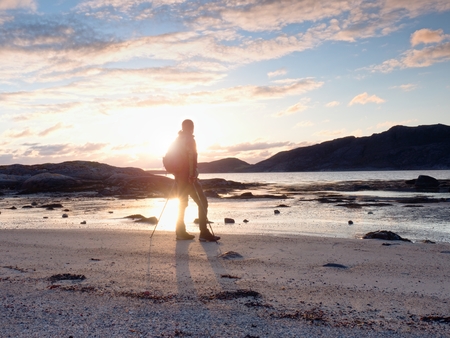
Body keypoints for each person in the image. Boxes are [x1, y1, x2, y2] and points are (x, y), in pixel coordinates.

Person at [171, 119, 220, 242]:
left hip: (179, 178)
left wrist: (177, 174)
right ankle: (204, 233)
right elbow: (191, 158)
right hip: (189, 178)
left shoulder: (177, 140)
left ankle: (180, 232)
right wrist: (192, 175)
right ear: (191, 127)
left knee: (182, 204)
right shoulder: (189, 140)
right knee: (203, 203)